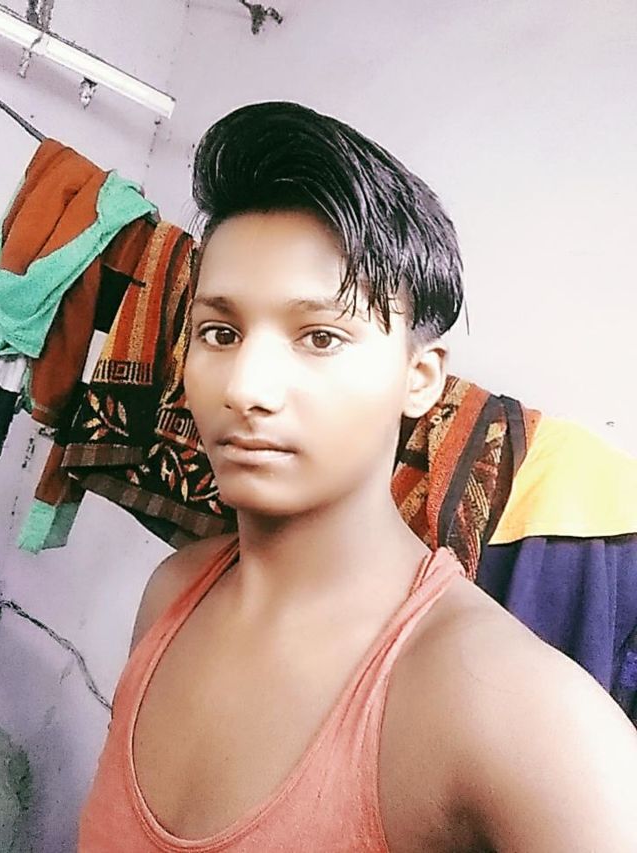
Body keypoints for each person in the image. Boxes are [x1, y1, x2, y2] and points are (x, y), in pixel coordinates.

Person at [78, 101, 637, 852]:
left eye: (319, 337)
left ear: (420, 378)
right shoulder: (170, 595)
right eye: (220, 332)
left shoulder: (518, 713)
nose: (245, 387)